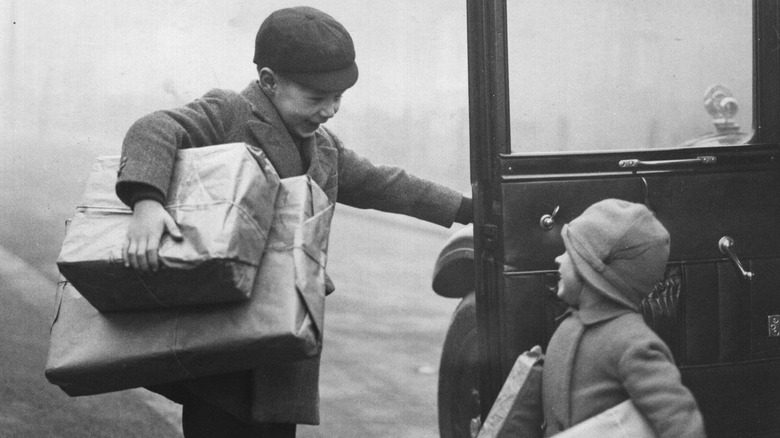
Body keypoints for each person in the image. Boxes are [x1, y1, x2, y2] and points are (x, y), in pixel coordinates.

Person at [114, 5, 472, 438]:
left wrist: (465, 208)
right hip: (222, 331)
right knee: (220, 421)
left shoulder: (323, 146)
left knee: (275, 424)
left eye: (337, 97)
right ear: (269, 81)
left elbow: (383, 183)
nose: (330, 110)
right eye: (316, 97)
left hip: (283, 337)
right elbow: (153, 129)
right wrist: (146, 204)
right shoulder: (231, 112)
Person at [542, 199, 705, 437]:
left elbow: (682, 422)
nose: (558, 259)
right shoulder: (570, 324)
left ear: (594, 265)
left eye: (568, 251)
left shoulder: (633, 343)